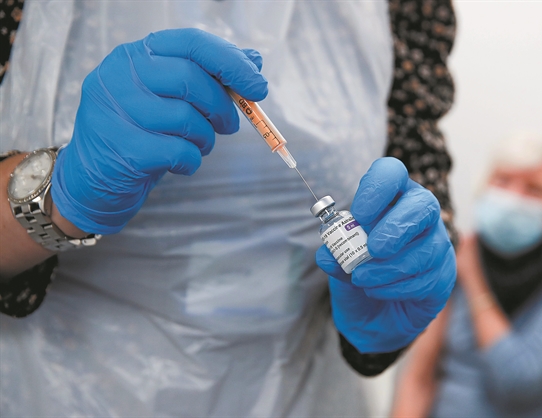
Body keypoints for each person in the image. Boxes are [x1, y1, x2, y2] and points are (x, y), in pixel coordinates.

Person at [0, 1, 457, 416]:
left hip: (302, 392)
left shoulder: (405, 8)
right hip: (58, 391)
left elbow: (417, 168)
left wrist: (398, 286)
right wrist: (57, 195)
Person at [392, 133, 542, 417]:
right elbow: (418, 377)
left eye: (534, 189)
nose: (512, 198)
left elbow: (520, 382)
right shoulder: (456, 253)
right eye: (502, 181)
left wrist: (475, 281)